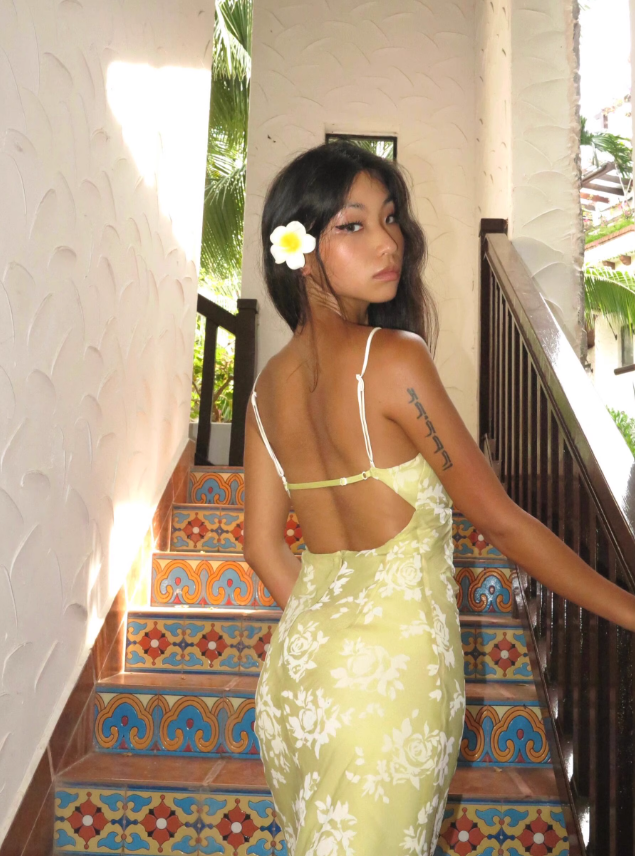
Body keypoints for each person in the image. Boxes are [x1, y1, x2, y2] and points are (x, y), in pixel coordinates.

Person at [242, 140, 635, 856]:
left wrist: (333, 634)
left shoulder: (266, 388)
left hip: (297, 675)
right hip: (389, 681)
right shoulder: (393, 358)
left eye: (390, 217)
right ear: (300, 251)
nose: (387, 240)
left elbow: (261, 546)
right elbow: (501, 523)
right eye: (353, 224)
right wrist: (628, 609)